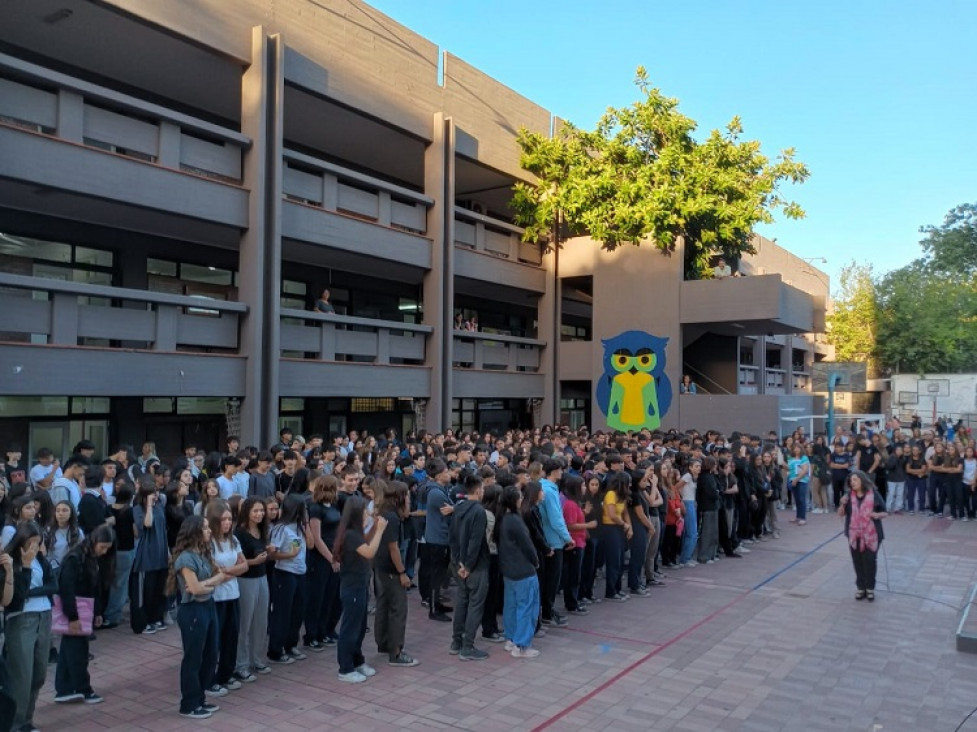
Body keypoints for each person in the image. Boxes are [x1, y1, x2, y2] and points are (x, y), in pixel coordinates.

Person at [168, 516, 230, 720]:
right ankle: (189, 703)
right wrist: (212, 582)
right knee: (193, 657)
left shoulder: (203, 552)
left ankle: (200, 698)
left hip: (208, 605)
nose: (209, 531)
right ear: (194, 532)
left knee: (211, 654)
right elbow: (193, 589)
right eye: (204, 528)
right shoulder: (185, 558)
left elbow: (222, 575)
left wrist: (207, 583)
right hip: (193, 610)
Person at [53, 524, 115, 705]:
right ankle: (82, 688)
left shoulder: (88, 557)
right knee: (78, 652)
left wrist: (97, 612)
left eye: (106, 549)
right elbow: (67, 589)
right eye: (102, 547)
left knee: (69, 650)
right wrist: (73, 617)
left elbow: (94, 588)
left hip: (83, 608)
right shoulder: (75, 558)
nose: (104, 552)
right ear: (94, 541)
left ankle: (64, 688)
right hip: (76, 609)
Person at [4, 521, 56, 732]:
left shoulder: (41, 560)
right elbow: (15, 598)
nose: (34, 547)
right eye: (30, 542)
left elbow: (54, 585)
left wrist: (33, 592)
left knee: (39, 673)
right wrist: (25, 567)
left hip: (44, 615)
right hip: (21, 619)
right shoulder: (11, 563)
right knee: (21, 676)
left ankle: (27, 719)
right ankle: (15, 723)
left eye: (37, 542)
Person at [333, 496, 387, 683]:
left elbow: (366, 542)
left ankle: (358, 661)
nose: (368, 512)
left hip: (361, 584)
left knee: (360, 626)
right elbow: (369, 551)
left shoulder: (355, 532)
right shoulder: (350, 534)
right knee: (350, 627)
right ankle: (345, 668)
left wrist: (374, 526)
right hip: (352, 586)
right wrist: (379, 531)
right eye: (365, 510)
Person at [373, 481, 418, 667]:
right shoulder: (392, 518)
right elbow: (394, 548)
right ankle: (396, 651)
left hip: (380, 566)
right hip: (391, 569)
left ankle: (383, 643)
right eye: (406, 495)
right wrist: (402, 572)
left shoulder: (384, 513)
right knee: (398, 609)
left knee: (384, 605)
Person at [206, 501, 248, 695]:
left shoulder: (233, 540)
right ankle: (209, 679)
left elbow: (244, 565)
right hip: (216, 598)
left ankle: (226, 674)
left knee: (231, 637)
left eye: (230, 519)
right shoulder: (209, 542)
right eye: (223, 519)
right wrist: (232, 572)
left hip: (232, 594)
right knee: (214, 640)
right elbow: (214, 570)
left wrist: (228, 572)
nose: (227, 523)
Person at [448, 474, 490, 660]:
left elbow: (453, 538)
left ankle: (456, 641)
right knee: (475, 604)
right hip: (475, 566)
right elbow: (475, 541)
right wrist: (469, 565)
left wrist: (458, 563)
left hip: (459, 564)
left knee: (462, 602)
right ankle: (468, 646)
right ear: (478, 490)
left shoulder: (458, 508)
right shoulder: (479, 512)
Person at [267, 494, 312, 664]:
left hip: (301, 572)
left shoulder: (300, 526)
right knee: (282, 613)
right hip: (285, 573)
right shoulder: (281, 528)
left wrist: (306, 524)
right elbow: (272, 555)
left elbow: (311, 545)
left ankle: (291, 644)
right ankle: (275, 650)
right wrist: (289, 555)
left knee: (297, 611)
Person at [497, 485, 540, 658]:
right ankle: (522, 645)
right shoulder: (515, 520)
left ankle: (511, 638)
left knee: (512, 605)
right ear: (515, 501)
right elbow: (527, 545)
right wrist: (535, 560)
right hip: (523, 570)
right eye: (520, 497)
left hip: (508, 569)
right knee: (527, 606)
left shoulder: (503, 519)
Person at [233, 497, 273, 681]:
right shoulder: (239, 533)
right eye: (255, 511)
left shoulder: (263, 529)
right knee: (245, 622)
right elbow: (236, 561)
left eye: (261, 511)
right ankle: (241, 664)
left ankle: (257, 659)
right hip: (246, 580)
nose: (259, 514)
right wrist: (253, 561)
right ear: (247, 512)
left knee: (261, 620)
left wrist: (268, 551)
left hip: (262, 577)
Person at [839, 471, 887, 601]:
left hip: (872, 534)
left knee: (870, 561)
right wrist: (842, 503)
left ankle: (870, 588)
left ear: (862, 480)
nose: (852, 483)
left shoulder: (874, 494)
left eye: (855, 480)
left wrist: (877, 515)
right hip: (854, 533)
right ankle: (861, 588)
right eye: (851, 481)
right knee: (857, 561)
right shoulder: (849, 495)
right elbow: (841, 514)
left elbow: (885, 511)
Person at [787, 444, 810, 525]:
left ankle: (803, 518)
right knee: (796, 499)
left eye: (798, 448)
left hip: (801, 480)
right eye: (794, 448)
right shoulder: (791, 458)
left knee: (801, 499)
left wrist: (797, 479)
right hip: (792, 479)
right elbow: (789, 468)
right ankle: (798, 517)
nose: (796, 450)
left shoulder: (804, 458)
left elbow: (804, 470)